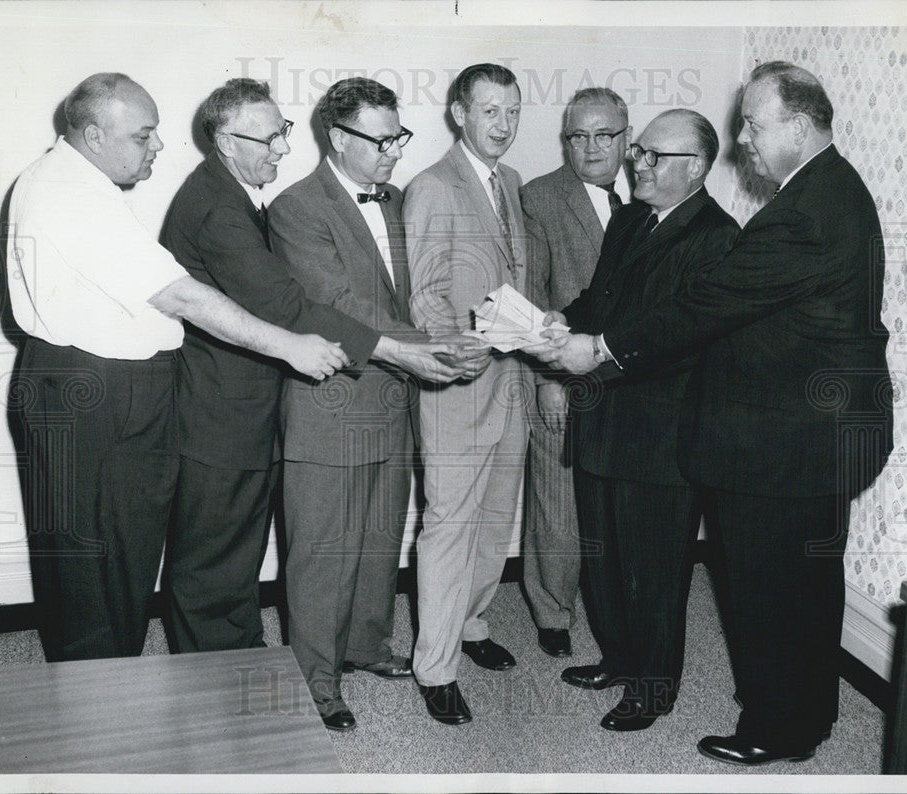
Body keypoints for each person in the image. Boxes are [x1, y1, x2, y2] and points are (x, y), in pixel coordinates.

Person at [532, 62, 892, 763]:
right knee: (801, 588)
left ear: (798, 123)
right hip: (802, 433)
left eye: (754, 125)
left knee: (772, 588)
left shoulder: (807, 212)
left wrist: (601, 345)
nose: (744, 140)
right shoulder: (823, 192)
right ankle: (802, 715)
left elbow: (707, 304)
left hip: (789, 440)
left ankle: (775, 729)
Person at [7, 73, 349, 662]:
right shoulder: (72, 194)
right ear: (93, 136)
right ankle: (103, 714)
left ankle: (104, 698)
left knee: (105, 566)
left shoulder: (67, 180)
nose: (158, 147)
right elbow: (182, 296)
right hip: (96, 394)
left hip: (91, 389)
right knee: (101, 569)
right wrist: (290, 346)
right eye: (143, 136)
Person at [160, 78, 461, 661]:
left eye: (282, 132)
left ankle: (277, 663)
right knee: (219, 564)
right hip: (224, 413)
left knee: (249, 555)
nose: (281, 146)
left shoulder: (246, 195)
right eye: (267, 136)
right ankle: (226, 688)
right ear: (225, 141)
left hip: (261, 403)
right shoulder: (223, 208)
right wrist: (404, 352)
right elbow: (292, 304)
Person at [266, 77, 489, 731]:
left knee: (377, 539)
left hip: (392, 402)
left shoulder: (395, 200)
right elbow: (338, 302)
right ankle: (318, 679)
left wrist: (461, 331)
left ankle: (366, 646)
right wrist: (422, 350)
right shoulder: (296, 208)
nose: (394, 149)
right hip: (331, 403)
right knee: (322, 550)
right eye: (381, 138)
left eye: (399, 135)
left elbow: (417, 288)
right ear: (339, 139)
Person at [554, 109, 739, 732]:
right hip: (601, 417)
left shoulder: (718, 237)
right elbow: (601, 299)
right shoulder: (630, 217)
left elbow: (682, 336)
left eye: (655, 156)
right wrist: (558, 320)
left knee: (655, 571)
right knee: (601, 555)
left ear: (697, 168)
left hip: (660, 436)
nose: (638, 163)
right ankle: (617, 659)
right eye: (640, 150)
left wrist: (599, 346)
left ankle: (654, 689)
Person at [404, 63, 530, 725]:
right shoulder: (431, 186)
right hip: (458, 386)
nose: (503, 125)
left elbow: (510, 283)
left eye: (513, 112)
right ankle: (435, 667)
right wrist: (468, 350)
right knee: (449, 526)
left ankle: (472, 627)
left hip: (514, 386)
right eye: (490, 112)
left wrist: (537, 328)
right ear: (459, 113)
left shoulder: (509, 182)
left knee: (493, 520)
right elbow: (425, 298)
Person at [520, 87, 633, 659]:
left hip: (633, 376)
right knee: (557, 501)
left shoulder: (649, 192)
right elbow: (534, 297)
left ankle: (616, 610)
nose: (590, 148)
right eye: (577, 136)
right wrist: (547, 380)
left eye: (603, 135)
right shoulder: (540, 198)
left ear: (626, 136)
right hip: (568, 378)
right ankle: (552, 611)